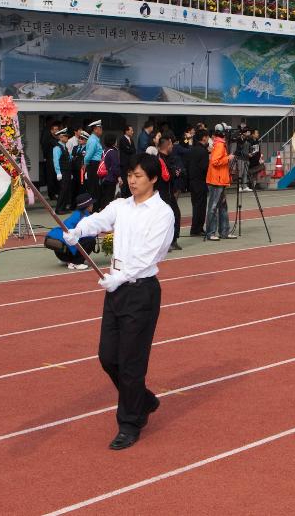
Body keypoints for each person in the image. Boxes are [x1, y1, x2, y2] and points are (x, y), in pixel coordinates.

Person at [63, 154, 173, 450]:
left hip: (140, 290)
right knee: (108, 357)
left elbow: (150, 255)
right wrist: (77, 232)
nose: (132, 180)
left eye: (138, 175)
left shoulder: (162, 213)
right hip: (116, 290)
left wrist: (120, 277)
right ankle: (144, 400)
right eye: (130, 175)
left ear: (152, 178)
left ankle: (129, 422)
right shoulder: (121, 206)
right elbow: (99, 220)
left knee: (131, 363)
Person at [204, 124, 233, 240]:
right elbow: (215, 161)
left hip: (218, 179)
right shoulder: (220, 145)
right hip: (217, 180)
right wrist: (228, 158)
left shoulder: (217, 143)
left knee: (221, 206)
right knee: (214, 207)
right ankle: (211, 233)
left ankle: (223, 231)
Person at [186, 129, 210, 237]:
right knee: (201, 206)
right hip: (200, 181)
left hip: (192, 180)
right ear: (204, 138)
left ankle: (195, 228)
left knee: (195, 205)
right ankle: (197, 228)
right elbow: (205, 167)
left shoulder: (192, 149)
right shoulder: (203, 151)